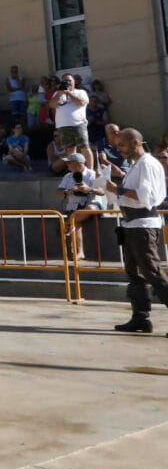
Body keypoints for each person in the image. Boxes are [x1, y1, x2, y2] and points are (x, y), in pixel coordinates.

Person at [108, 128, 168, 333]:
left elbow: (144, 196)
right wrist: (121, 176)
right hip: (132, 225)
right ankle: (140, 317)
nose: (119, 150)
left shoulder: (147, 164)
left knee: (152, 272)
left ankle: (141, 316)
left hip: (142, 225)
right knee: (134, 273)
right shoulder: (136, 165)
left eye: (122, 145)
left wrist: (117, 189)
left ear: (135, 143)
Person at [57, 153, 104, 261]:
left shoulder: (93, 174)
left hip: (92, 204)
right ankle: (80, 252)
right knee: (76, 222)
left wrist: (89, 189)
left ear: (77, 164)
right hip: (74, 206)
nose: (67, 165)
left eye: (69, 163)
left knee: (87, 211)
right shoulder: (67, 176)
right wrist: (70, 191)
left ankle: (67, 224)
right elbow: (58, 192)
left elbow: (102, 192)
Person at [48, 73, 93, 170]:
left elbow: (81, 103)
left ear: (74, 82)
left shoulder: (81, 92)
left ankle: (90, 169)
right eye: (65, 80)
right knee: (70, 149)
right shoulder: (57, 93)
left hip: (78, 124)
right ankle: (75, 170)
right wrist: (60, 94)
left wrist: (68, 93)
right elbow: (51, 105)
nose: (67, 82)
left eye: (69, 80)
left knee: (84, 147)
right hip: (63, 126)